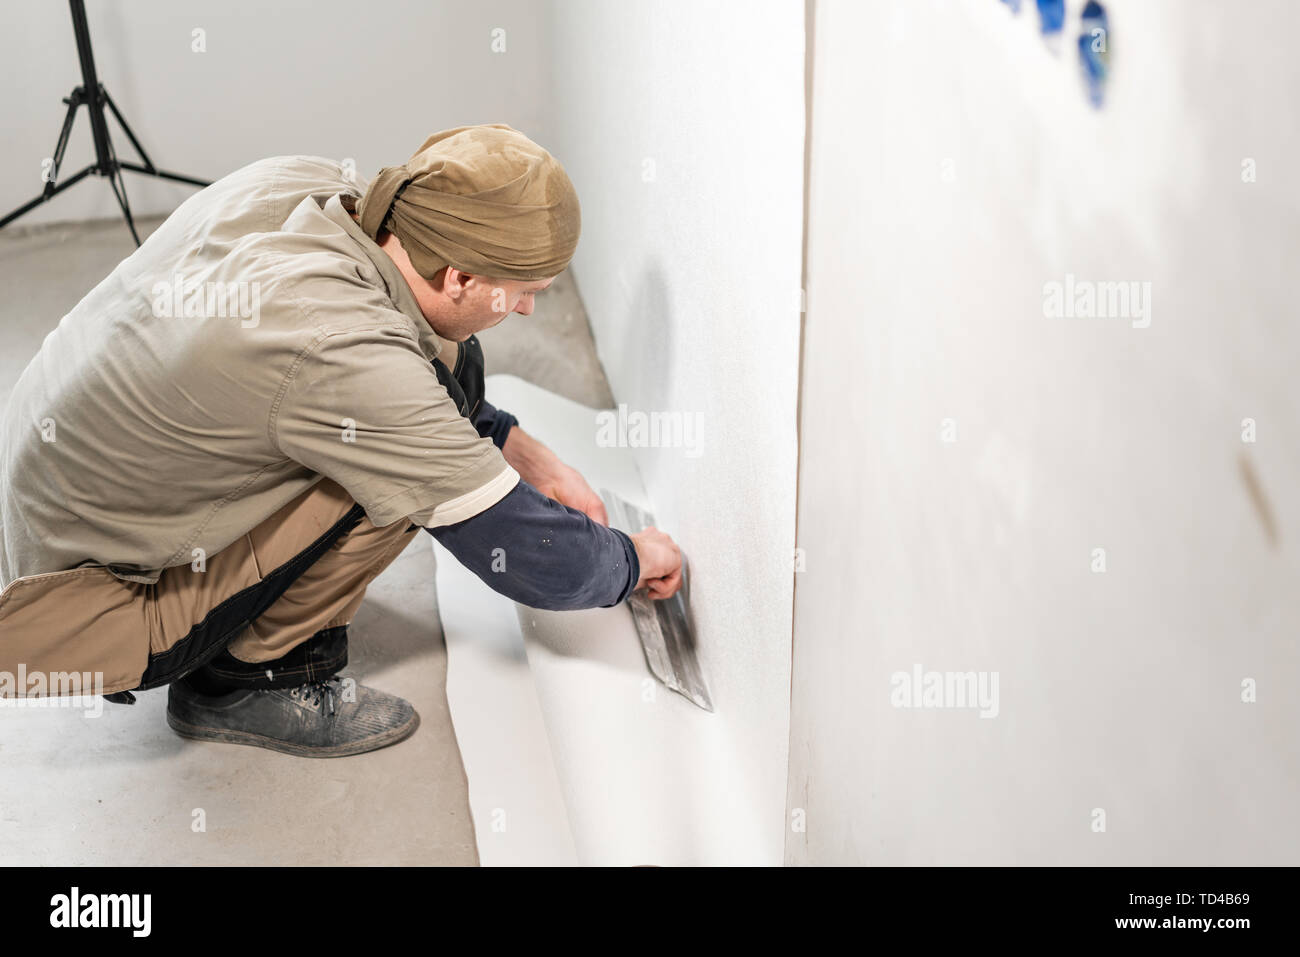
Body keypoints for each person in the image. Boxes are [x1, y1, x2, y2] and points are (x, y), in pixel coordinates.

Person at [0, 124, 683, 758]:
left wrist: (531, 454)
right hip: (85, 607)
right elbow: (532, 558)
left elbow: (411, 386)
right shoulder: (338, 343)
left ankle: (243, 637)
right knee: (397, 481)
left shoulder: (316, 188)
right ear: (462, 277)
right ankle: (248, 680)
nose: (532, 307)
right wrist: (629, 558)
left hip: (49, 502)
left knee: (449, 367)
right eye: (524, 291)